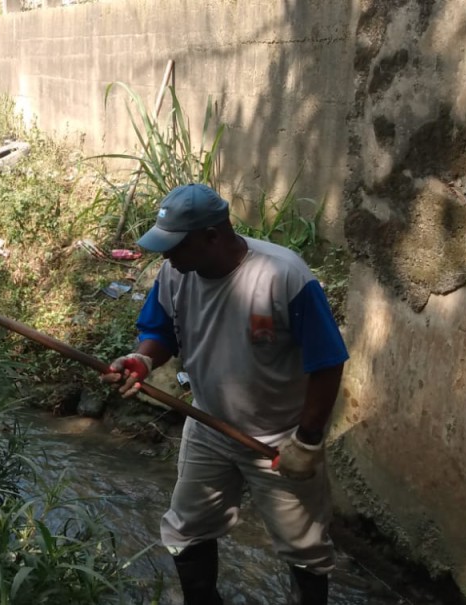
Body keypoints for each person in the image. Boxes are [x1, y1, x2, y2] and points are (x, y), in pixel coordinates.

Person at [101, 183, 348, 605]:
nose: (167, 257)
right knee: (185, 530)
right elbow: (160, 332)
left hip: (278, 439)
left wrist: (307, 440)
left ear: (212, 236)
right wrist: (142, 360)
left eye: (175, 246)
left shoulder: (283, 276)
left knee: (305, 549)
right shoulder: (176, 274)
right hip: (208, 424)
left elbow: (327, 362)